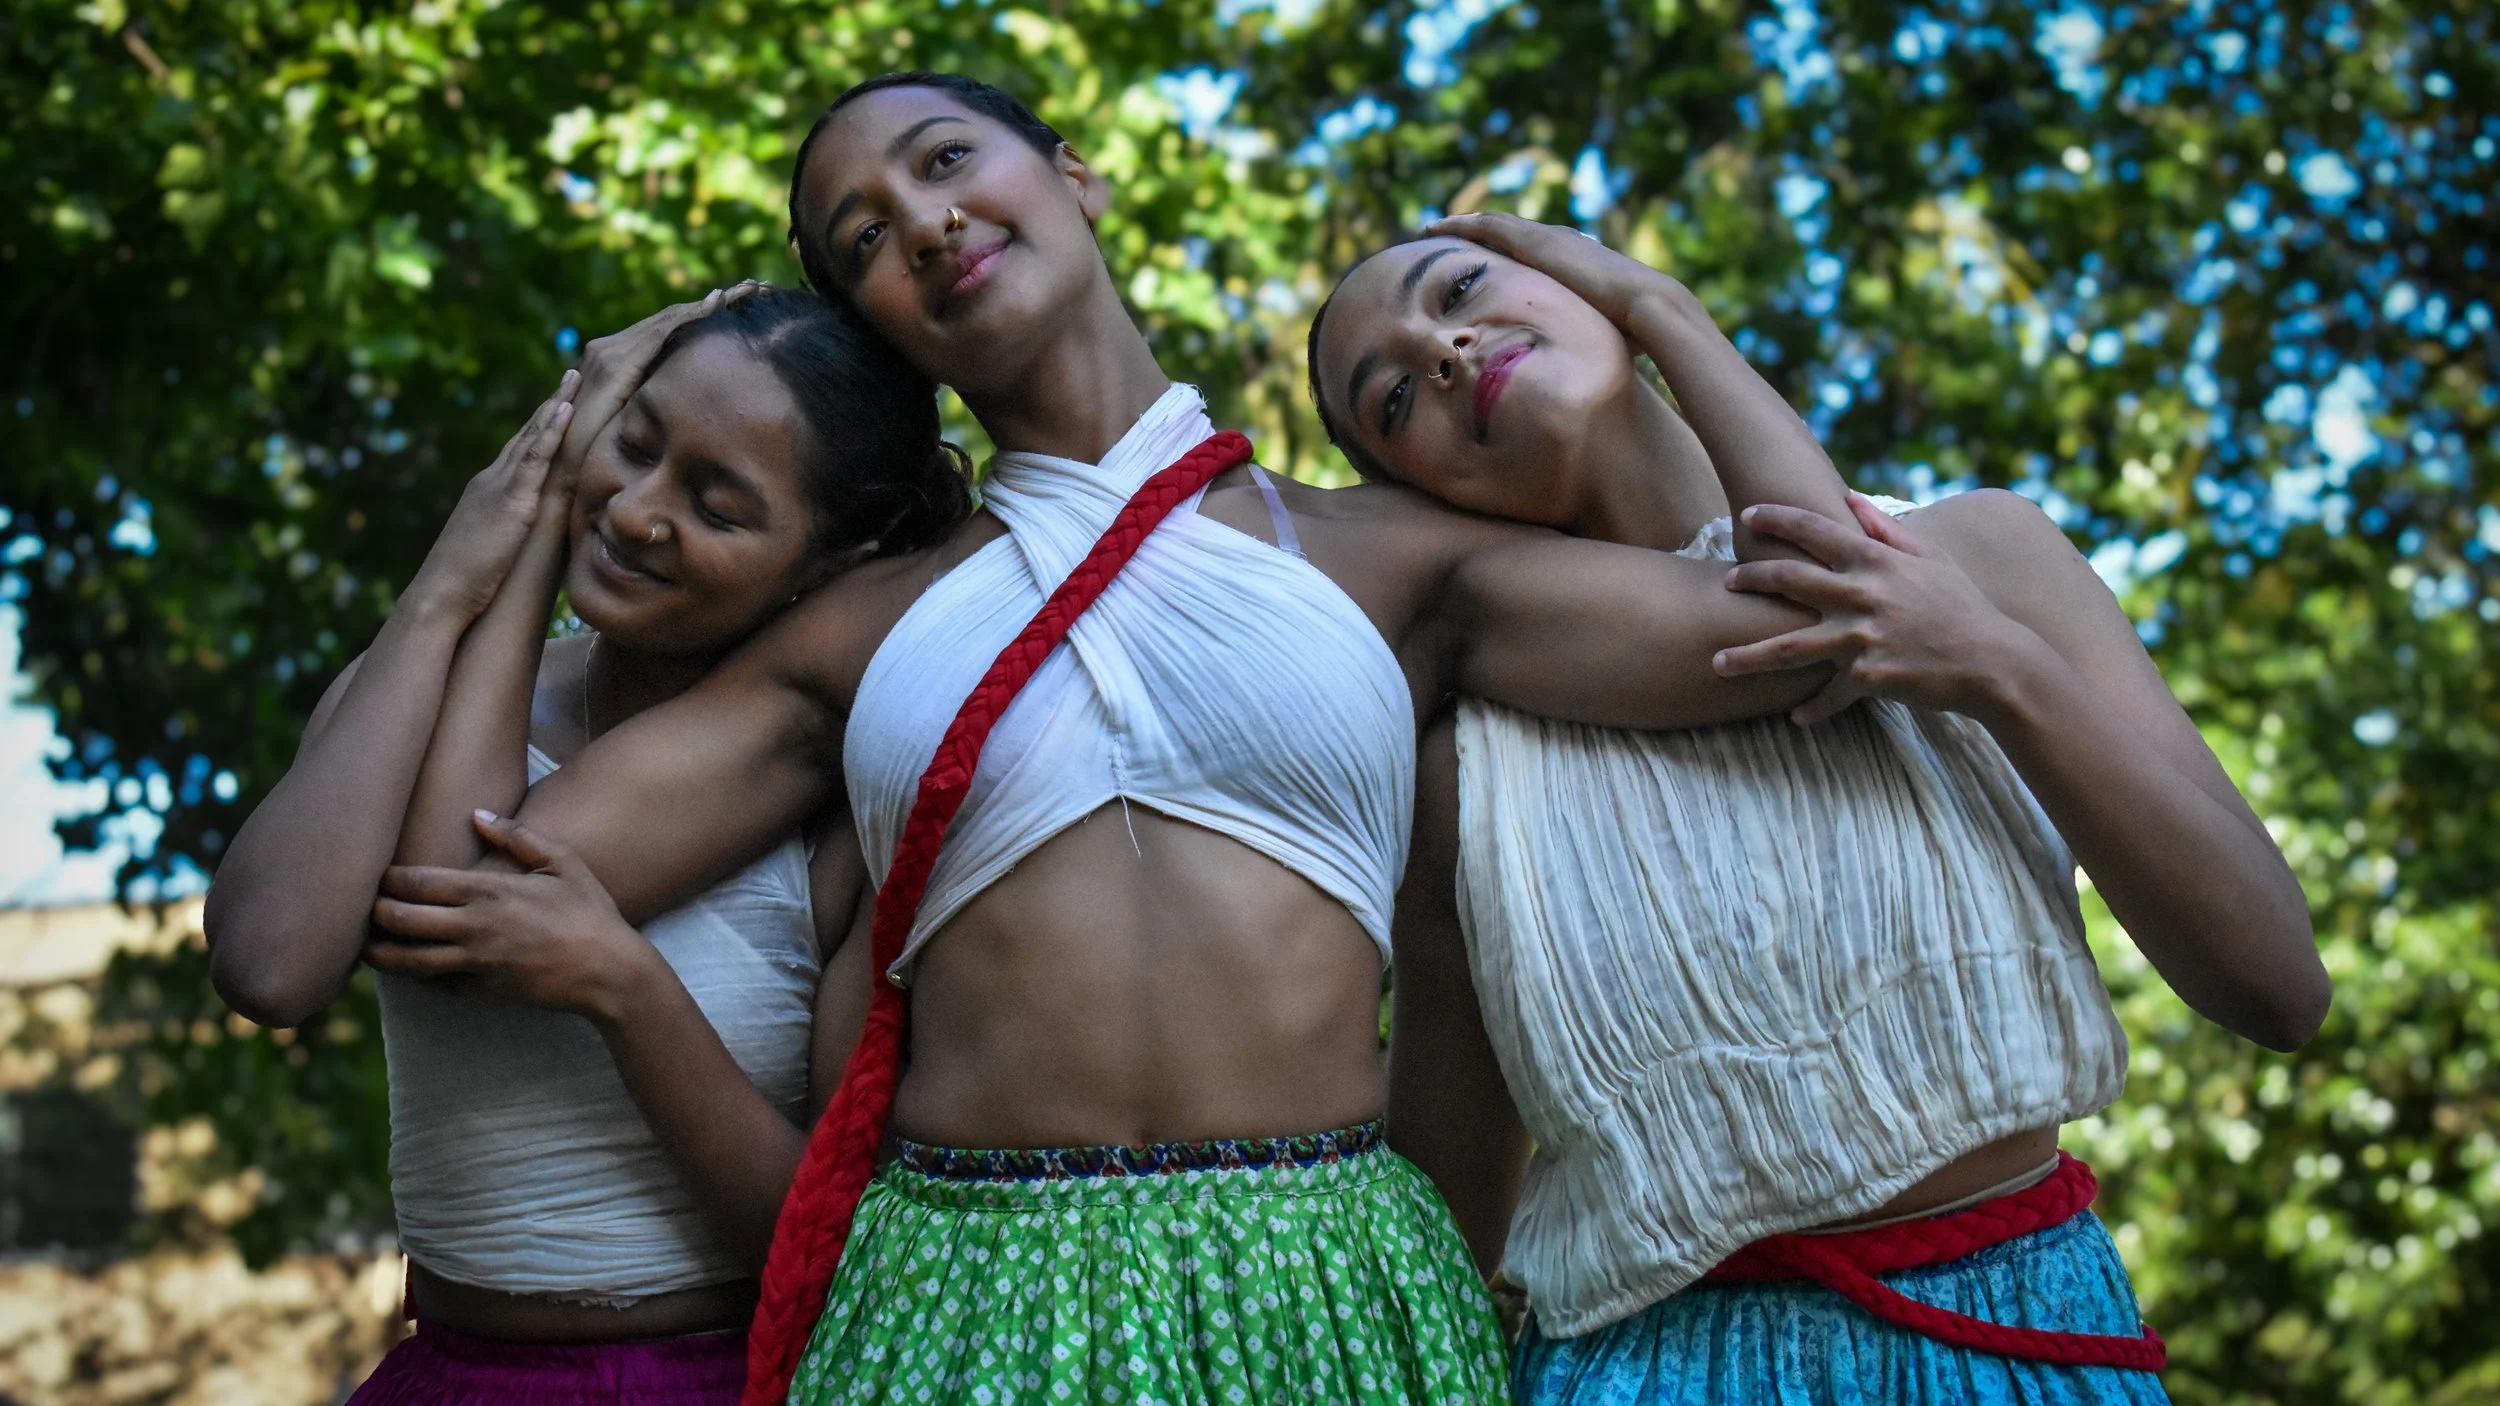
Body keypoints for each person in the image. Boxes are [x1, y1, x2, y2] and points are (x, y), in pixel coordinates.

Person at [395, 70, 1902, 1406]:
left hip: (1326, 1286)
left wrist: (1652, 309)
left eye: (942, 161)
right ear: (873, 323)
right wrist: (538, 512)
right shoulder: (859, 635)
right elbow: (474, 876)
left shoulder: (1390, 563)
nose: (919, 222)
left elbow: (1818, 611)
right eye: (860, 238)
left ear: (1073, 174)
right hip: (961, 1299)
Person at [1305, 211, 2327, 1402]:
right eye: (1393, 399)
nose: (1443, 350)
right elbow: (1444, 1226)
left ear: (1587, 280)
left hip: (2019, 1344)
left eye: (1459, 288)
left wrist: (1998, 667)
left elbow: (2277, 985)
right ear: (1420, 498)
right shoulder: (1463, 769)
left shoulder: (1985, 555)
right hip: (1643, 1372)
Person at [202, 287, 972, 1402]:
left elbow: (823, 1247)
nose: (638, 511)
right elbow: (268, 964)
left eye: (719, 506)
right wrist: (458, 578)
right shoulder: (418, 686)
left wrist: (627, 988)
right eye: (635, 444)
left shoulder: (842, 800)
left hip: (709, 1377)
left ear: (828, 557)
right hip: (448, 1376)